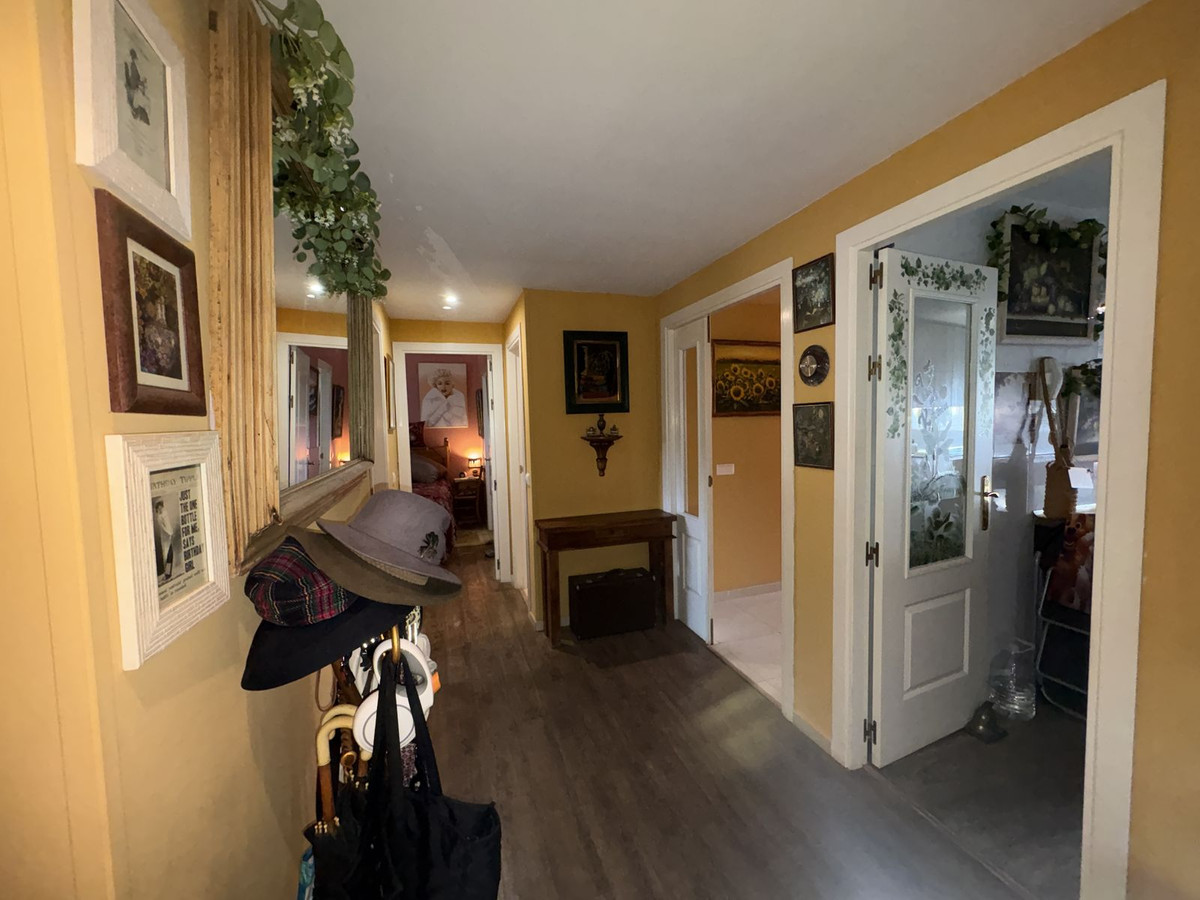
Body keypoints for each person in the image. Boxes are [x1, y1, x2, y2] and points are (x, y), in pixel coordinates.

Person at [153, 498, 175, 583]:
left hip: (169, 535)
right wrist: (169, 534)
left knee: (170, 555)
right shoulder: (159, 517)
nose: (160, 508)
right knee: (166, 555)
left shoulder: (165, 513)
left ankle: (168, 573)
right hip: (165, 537)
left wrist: (171, 532)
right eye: (159, 507)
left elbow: (168, 524)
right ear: (157, 508)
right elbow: (163, 528)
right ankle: (166, 574)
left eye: (161, 506)